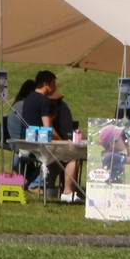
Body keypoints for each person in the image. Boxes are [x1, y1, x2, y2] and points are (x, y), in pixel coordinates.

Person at [19, 71, 80, 203]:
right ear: (46, 84)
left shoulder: (28, 99)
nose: (55, 87)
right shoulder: (44, 101)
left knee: (57, 157)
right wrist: (63, 141)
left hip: (26, 142)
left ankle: (49, 186)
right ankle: (68, 192)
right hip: (40, 144)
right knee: (71, 157)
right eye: (53, 83)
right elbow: (48, 129)